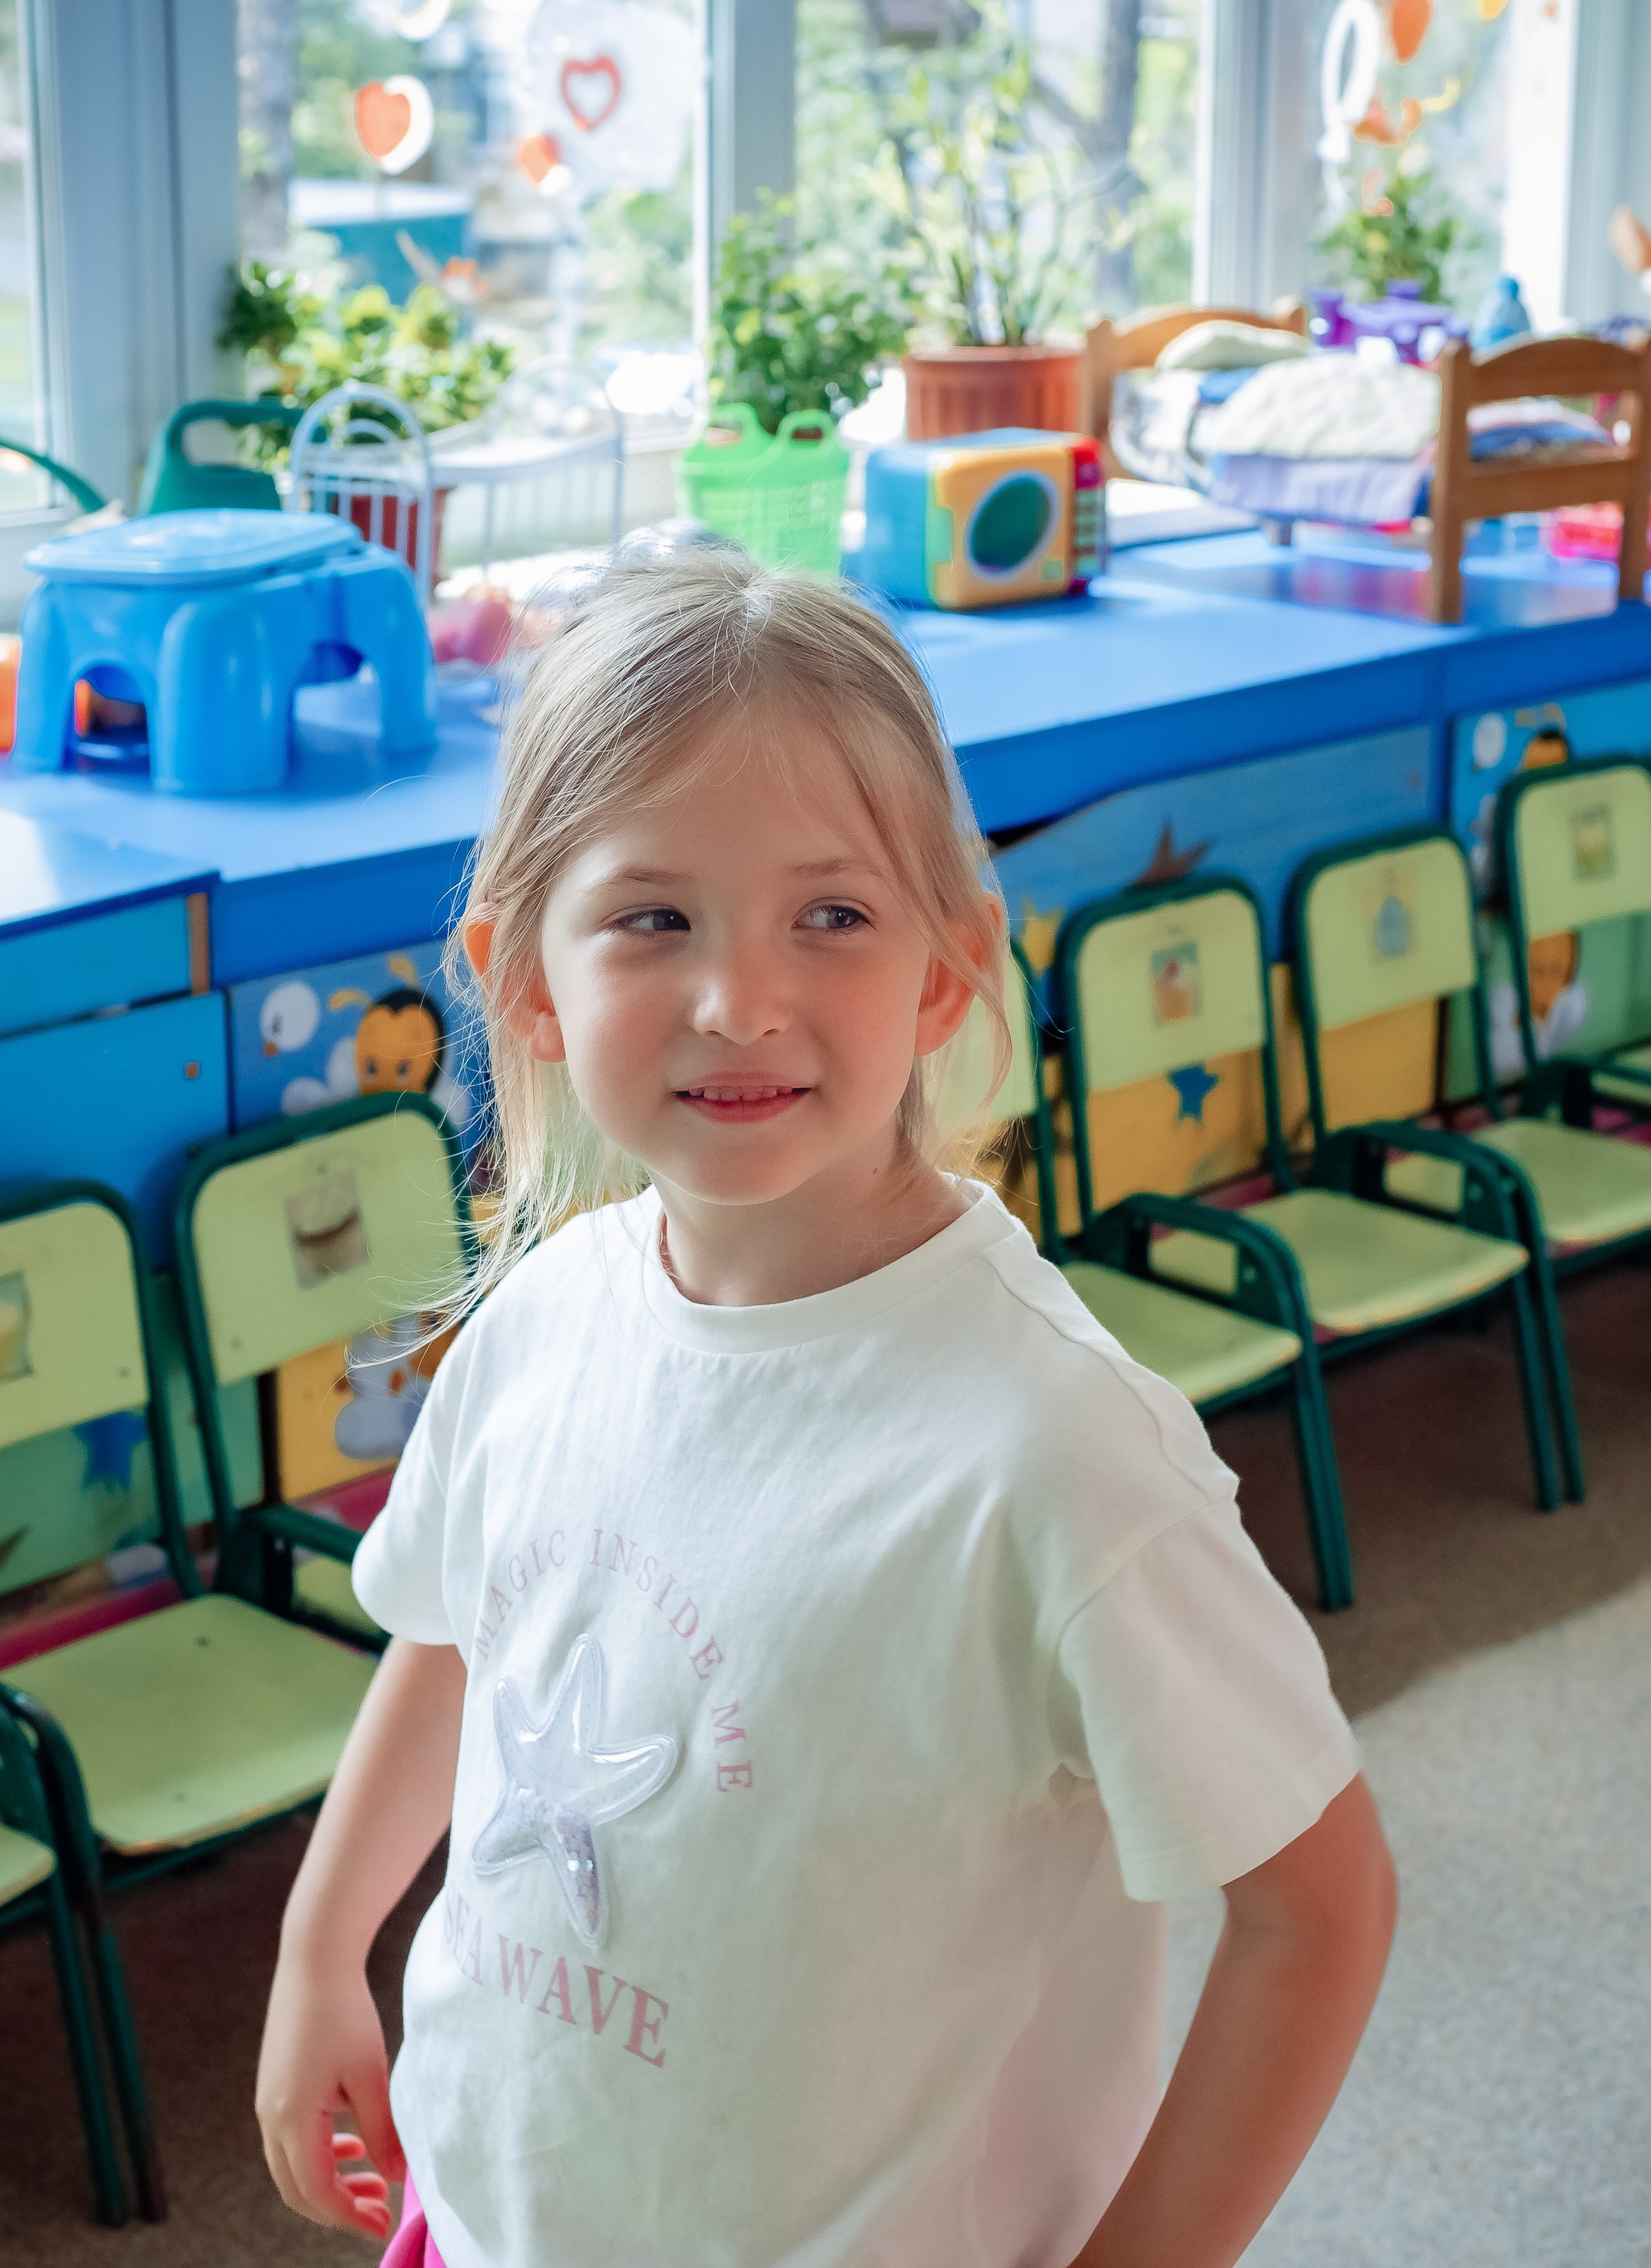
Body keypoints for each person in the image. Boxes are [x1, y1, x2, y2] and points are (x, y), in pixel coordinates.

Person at [255, 555, 1396, 2268]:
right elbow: (463, 1639)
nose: (741, 999)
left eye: (833, 916)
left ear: (946, 970)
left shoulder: (1058, 1453)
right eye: (654, 917)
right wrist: (318, 1942)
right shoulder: (545, 1320)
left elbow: (1320, 1903)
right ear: (530, 983)